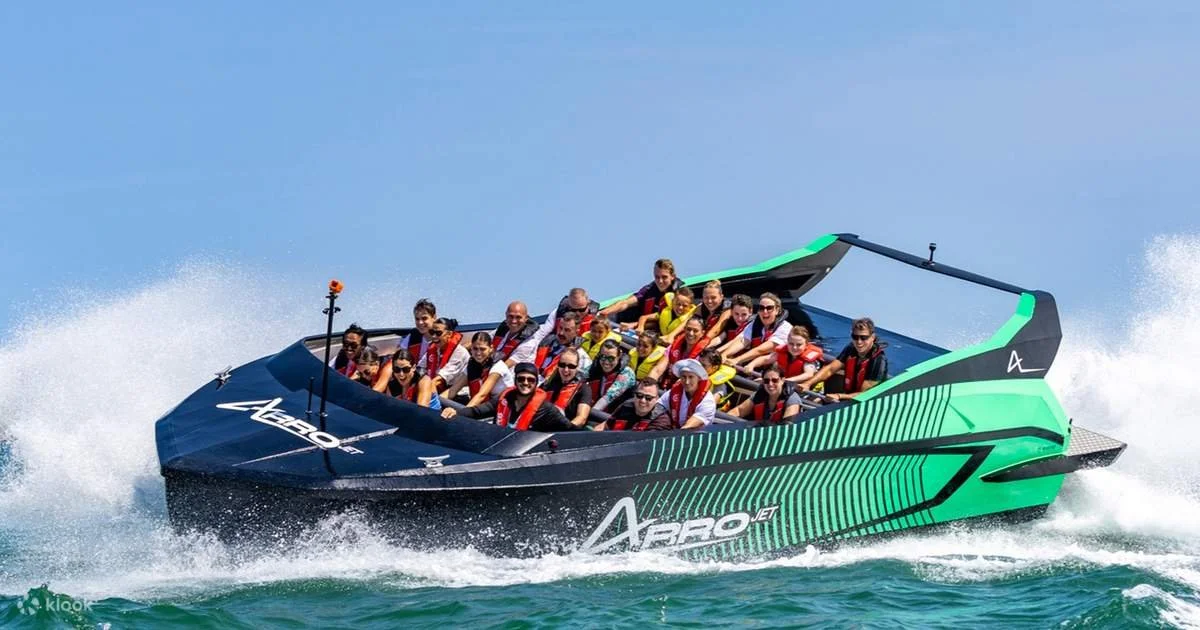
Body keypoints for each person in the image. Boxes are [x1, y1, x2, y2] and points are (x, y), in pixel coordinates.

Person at [441, 362, 574, 431]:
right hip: (498, 447)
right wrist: (456, 412)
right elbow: (477, 411)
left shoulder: (546, 409)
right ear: (515, 381)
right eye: (521, 379)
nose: (525, 383)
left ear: (535, 383)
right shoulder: (504, 399)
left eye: (530, 380)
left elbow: (569, 429)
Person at [798, 317, 889, 401]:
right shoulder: (851, 348)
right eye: (855, 337)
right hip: (846, 398)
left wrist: (839, 396)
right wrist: (808, 383)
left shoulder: (878, 360)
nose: (859, 342)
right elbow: (830, 369)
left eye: (864, 338)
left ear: (872, 337)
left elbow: (864, 394)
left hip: (862, 403)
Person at [598, 258, 684, 329]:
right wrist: (605, 312)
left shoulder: (679, 294)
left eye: (664, 277)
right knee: (609, 318)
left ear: (672, 276)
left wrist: (634, 325)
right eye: (657, 277)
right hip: (639, 325)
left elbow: (661, 320)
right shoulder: (650, 289)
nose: (660, 281)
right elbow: (626, 303)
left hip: (659, 330)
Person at [721, 292, 792, 370]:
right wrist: (724, 354)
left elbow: (761, 350)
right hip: (754, 369)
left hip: (775, 371)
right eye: (761, 308)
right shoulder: (754, 324)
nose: (765, 311)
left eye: (769, 308)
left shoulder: (785, 328)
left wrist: (736, 360)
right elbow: (743, 341)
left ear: (777, 310)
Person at [443, 331, 513, 407]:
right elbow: (453, 390)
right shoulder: (472, 364)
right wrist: (435, 402)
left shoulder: (497, 366)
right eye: (475, 349)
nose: (478, 353)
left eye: (482, 349)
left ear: (491, 348)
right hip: (483, 404)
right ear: (471, 349)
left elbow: (482, 395)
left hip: (501, 405)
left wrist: (464, 412)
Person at [417, 317, 469, 405]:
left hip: (458, 396)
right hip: (436, 391)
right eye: (432, 332)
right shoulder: (433, 349)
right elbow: (420, 368)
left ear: (449, 334)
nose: (434, 336)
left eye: (438, 333)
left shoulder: (459, 352)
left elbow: (438, 381)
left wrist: (424, 391)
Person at [745, 325, 823, 383]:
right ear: (787, 342)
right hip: (782, 383)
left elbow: (808, 374)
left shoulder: (809, 359)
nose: (794, 347)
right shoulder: (783, 352)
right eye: (791, 344)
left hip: (803, 391)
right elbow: (765, 359)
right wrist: (751, 365)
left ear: (806, 344)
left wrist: (782, 381)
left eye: (799, 345)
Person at [538, 348, 593, 427]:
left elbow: (581, 418)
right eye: (562, 365)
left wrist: (566, 428)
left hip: (564, 430)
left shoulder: (584, 389)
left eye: (571, 366)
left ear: (577, 367)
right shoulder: (547, 385)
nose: (566, 370)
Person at [730, 364, 803, 424]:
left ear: (782, 380)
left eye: (774, 380)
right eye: (766, 381)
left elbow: (787, 426)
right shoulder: (759, 394)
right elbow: (739, 411)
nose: (770, 384)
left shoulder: (792, 399)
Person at [658, 358, 716, 430]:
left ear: (699, 378)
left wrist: (676, 434)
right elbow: (659, 406)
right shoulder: (673, 392)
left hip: (696, 435)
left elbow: (689, 425)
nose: (687, 382)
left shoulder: (708, 400)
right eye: (684, 377)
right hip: (674, 431)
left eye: (691, 377)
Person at [595, 379, 673, 431]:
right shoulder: (626, 406)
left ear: (656, 399)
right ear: (634, 395)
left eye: (648, 398)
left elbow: (646, 444)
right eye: (639, 395)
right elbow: (607, 425)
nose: (643, 401)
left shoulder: (661, 419)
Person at [375, 351, 442, 410]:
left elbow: (422, 411)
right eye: (397, 369)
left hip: (431, 417)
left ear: (413, 368)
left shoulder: (424, 380)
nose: (401, 374)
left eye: (406, 369)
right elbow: (390, 408)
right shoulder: (392, 384)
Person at [533, 311, 589, 378]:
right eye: (560, 328)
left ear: (576, 332)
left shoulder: (580, 355)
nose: (561, 333)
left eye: (567, 330)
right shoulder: (544, 343)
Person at [588, 340, 636, 413]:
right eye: (603, 357)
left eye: (611, 358)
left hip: (614, 414)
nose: (606, 362)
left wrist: (590, 413)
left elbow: (610, 396)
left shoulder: (627, 373)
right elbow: (579, 380)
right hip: (592, 408)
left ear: (619, 356)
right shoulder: (595, 366)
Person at [491, 301, 541, 366]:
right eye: (511, 316)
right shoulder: (502, 330)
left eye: (518, 317)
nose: (514, 321)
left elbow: (503, 367)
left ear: (526, 318)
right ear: (506, 315)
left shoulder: (529, 342)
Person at [397, 299, 437, 370]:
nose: (420, 322)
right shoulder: (413, 337)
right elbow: (399, 357)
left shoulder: (442, 338)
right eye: (417, 319)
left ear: (434, 317)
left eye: (424, 318)